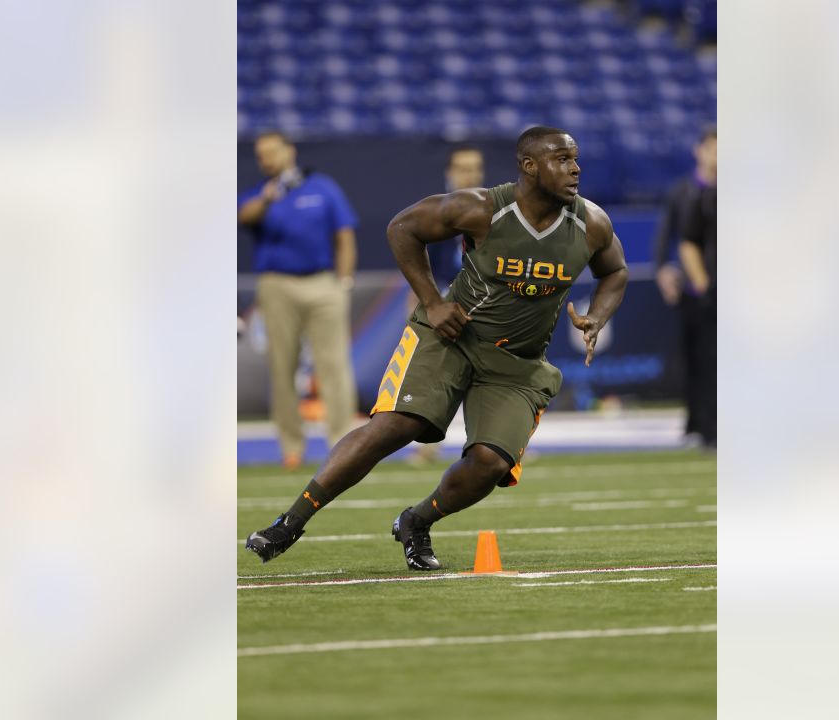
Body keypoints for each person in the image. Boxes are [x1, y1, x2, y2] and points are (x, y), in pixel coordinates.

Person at [246, 126, 629, 571]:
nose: (575, 168)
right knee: (395, 424)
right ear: (529, 166)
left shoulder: (591, 222)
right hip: (452, 336)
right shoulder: (483, 207)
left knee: (490, 462)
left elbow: (616, 271)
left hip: (517, 362)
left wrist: (597, 317)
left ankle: (416, 520)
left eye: (575, 158)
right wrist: (433, 302)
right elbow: (402, 228)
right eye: (562, 158)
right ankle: (289, 522)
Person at [238, 131, 359, 470]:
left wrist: (344, 281)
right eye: (261, 155)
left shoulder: (322, 187)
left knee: (334, 366)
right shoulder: (261, 194)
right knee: (282, 367)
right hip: (277, 285)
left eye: (272, 152)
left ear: (289, 150)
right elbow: (242, 217)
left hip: (323, 283)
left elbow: (344, 234)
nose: (267, 159)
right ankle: (292, 447)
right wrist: (267, 198)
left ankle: (341, 445)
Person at [406, 145, 486, 465]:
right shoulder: (435, 210)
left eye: (475, 167)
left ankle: (494, 444)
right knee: (433, 376)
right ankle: (427, 445)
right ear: (449, 172)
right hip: (443, 301)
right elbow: (419, 256)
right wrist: (420, 298)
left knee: (489, 377)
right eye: (463, 167)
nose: (470, 173)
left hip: (485, 302)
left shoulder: (496, 209)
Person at [652, 125, 716, 449]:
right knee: (697, 358)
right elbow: (670, 235)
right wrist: (662, 268)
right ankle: (697, 423)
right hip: (696, 289)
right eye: (713, 147)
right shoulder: (684, 191)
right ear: (699, 150)